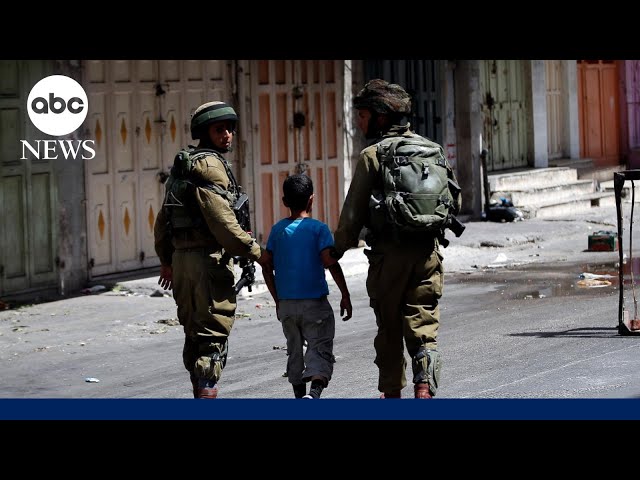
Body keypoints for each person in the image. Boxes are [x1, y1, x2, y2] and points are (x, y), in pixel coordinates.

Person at [333, 79, 461, 399]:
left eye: (363, 115)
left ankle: (392, 395)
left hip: (388, 257)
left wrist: (334, 250)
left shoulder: (372, 156)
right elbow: (453, 201)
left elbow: (352, 216)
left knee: (389, 329)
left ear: (381, 117)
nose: (358, 122)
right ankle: (424, 388)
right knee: (423, 327)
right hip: (428, 253)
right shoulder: (432, 150)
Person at [154, 100, 268, 399]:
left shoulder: (184, 167)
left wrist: (167, 261)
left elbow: (163, 220)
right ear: (204, 133)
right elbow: (224, 225)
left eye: (230, 129)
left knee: (194, 336)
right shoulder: (211, 167)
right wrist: (257, 252)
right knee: (212, 342)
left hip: (182, 263)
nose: (227, 135)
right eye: (220, 130)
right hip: (208, 262)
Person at [261, 173, 353, 399]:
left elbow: (266, 267)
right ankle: (314, 393)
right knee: (320, 347)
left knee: (295, 351)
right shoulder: (318, 229)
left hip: (287, 306)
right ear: (312, 199)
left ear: (285, 202)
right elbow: (330, 262)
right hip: (315, 305)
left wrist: (278, 300)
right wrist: (345, 294)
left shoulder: (277, 231)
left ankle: (299, 397)